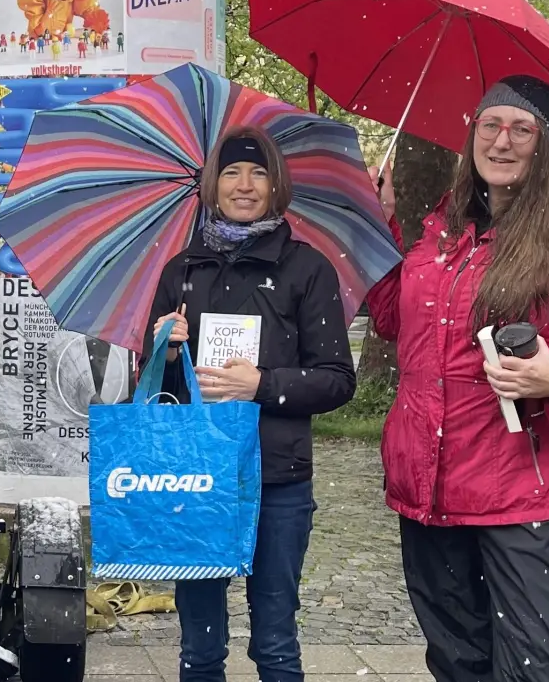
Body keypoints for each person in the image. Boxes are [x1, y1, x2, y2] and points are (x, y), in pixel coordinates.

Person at [365, 75, 549, 682]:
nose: (501, 141)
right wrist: (378, 221)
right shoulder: (446, 224)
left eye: (522, 130)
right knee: (458, 663)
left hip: (529, 488)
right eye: (490, 125)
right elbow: (393, 320)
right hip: (431, 485)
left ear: (546, 144)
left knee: (536, 667)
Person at [145, 125, 357, 682]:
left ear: (276, 185)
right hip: (198, 475)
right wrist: (166, 349)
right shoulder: (182, 272)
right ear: (212, 185)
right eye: (232, 172)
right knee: (199, 646)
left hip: (278, 477)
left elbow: (337, 380)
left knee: (276, 640)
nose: (245, 185)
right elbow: (157, 385)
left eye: (259, 173)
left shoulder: (307, 269)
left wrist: (261, 385)